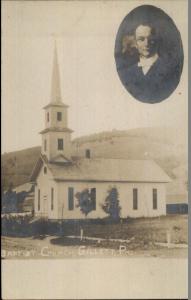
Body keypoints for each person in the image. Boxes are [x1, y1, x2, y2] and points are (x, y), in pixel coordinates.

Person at [120, 23, 179, 103]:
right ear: (135, 43)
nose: (146, 43)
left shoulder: (170, 70)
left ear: (157, 40)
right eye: (141, 39)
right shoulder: (127, 72)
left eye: (150, 38)